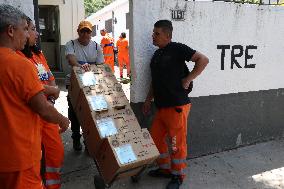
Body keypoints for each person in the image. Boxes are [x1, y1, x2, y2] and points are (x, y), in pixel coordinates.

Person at [0, 4, 69, 189]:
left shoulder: (30, 59)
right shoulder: (19, 64)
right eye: (25, 29)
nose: (29, 34)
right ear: (11, 31)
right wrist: (62, 119)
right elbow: (43, 108)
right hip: (19, 156)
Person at [142, 20, 209, 189]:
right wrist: (148, 100)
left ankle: (178, 175)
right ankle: (165, 169)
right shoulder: (157, 55)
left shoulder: (177, 48)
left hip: (177, 107)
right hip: (161, 107)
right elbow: (154, 81)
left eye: (157, 33)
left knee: (176, 144)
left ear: (168, 35)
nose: (153, 36)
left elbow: (203, 59)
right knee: (155, 140)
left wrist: (188, 79)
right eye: (153, 33)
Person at [16, 17, 64, 189]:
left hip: (48, 111)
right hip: (34, 116)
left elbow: (50, 81)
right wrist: (50, 91)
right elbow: (33, 87)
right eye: (32, 29)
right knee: (36, 161)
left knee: (55, 153)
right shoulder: (18, 58)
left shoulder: (38, 54)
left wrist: (51, 95)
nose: (37, 33)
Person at [65, 20, 104, 151]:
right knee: (74, 112)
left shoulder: (97, 47)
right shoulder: (71, 44)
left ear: (91, 33)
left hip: (91, 85)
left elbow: (100, 66)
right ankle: (76, 137)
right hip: (74, 84)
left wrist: (90, 68)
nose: (85, 34)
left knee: (91, 115)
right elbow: (71, 59)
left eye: (87, 31)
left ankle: (89, 141)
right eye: (83, 31)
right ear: (78, 32)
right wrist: (81, 66)